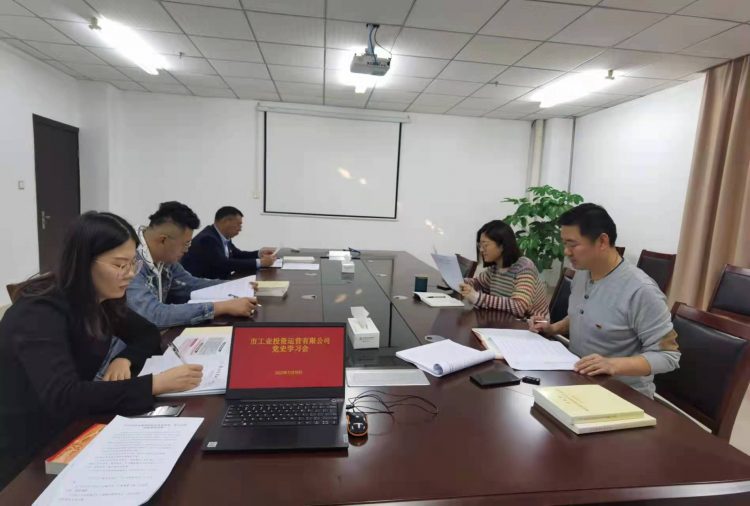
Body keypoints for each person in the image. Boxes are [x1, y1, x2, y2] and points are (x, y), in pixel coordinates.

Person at [0, 212, 203, 489]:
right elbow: (64, 396)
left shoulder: (100, 298)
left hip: (70, 424)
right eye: (120, 265)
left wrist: (124, 359)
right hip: (25, 449)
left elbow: (145, 333)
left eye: (132, 263)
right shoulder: (39, 312)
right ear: (83, 262)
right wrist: (154, 384)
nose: (130, 274)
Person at [529, 203, 680, 398]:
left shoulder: (641, 291)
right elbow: (582, 316)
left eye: (572, 244)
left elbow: (669, 356)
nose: (566, 251)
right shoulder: (582, 274)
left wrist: (613, 364)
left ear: (602, 241)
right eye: (564, 244)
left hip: (621, 394)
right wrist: (552, 328)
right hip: (578, 381)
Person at [126, 201, 257, 329]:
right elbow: (153, 314)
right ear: (163, 240)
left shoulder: (164, 257)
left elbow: (190, 284)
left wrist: (238, 285)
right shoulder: (129, 260)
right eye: (186, 244)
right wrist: (220, 307)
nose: (187, 250)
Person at [459, 220, 550, 319]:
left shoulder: (525, 267)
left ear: (502, 245)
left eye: (485, 245)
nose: (481, 250)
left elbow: (519, 306)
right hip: (507, 321)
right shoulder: (494, 268)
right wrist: (459, 282)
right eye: (480, 245)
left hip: (534, 325)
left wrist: (477, 297)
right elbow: (478, 283)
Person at [181, 206, 276, 279]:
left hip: (221, 280)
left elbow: (237, 254)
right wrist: (260, 262)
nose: (240, 229)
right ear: (226, 221)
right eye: (238, 224)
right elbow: (223, 264)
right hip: (204, 285)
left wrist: (259, 253)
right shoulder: (208, 239)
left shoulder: (222, 236)